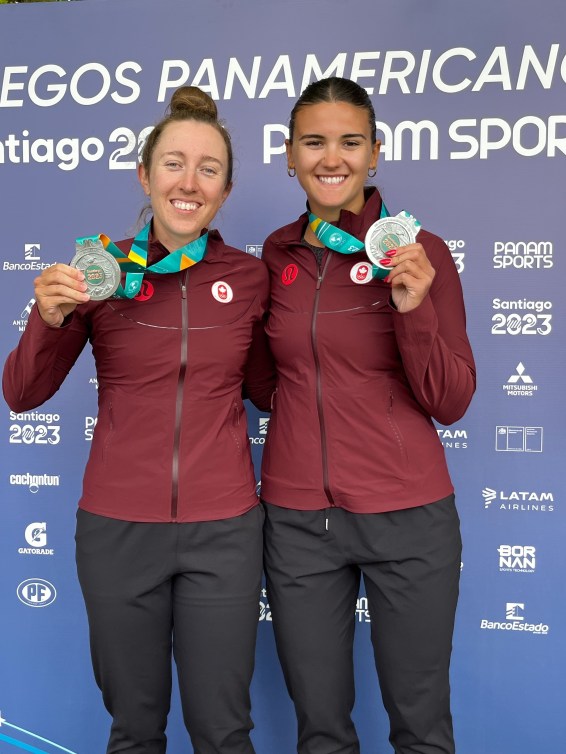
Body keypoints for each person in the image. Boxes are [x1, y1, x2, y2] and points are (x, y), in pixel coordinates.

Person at [3, 86, 273, 754]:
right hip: (118, 531)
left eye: (208, 168)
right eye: (174, 163)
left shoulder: (247, 279)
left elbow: (272, 388)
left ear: (226, 189)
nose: (189, 181)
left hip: (223, 531)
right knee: (134, 731)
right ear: (144, 175)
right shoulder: (98, 273)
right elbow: (22, 393)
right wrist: (50, 317)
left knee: (224, 731)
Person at [259, 77, 476, 754]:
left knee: (420, 726)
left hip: (408, 515)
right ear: (289, 155)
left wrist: (412, 311)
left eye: (350, 142)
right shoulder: (276, 254)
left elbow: (451, 398)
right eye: (314, 142)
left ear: (375, 152)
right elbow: (268, 384)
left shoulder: (420, 252)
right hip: (300, 524)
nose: (333, 158)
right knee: (320, 729)